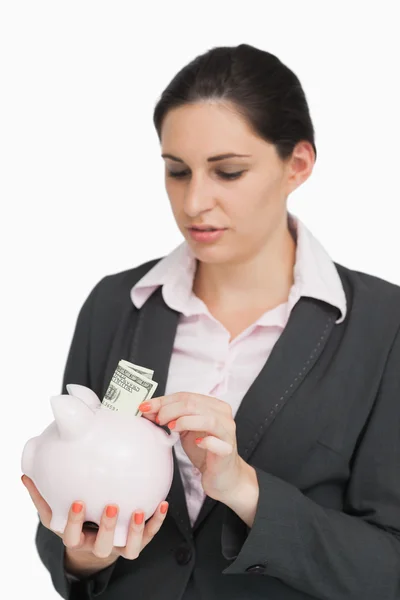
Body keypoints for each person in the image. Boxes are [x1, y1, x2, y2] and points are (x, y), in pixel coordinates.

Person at [22, 43, 400, 600]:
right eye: (177, 171)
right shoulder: (115, 304)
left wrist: (245, 489)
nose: (195, 201)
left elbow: (388, 566)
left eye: (227, 172)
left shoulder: (383, 326)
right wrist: (82, 551)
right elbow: (67, 511)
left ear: (297, 164)